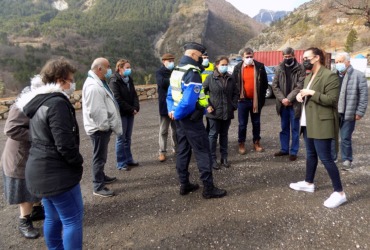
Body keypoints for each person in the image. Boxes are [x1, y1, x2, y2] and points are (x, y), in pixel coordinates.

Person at [15, 58, 84, 248]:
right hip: (56, 174)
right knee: (73, 219)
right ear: (61, 80)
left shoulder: (37, 102)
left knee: (53, 217)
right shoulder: (57, 103)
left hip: (38, 170)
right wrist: (77, 162)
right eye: (70, 79)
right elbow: (64, 144)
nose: (72, 84)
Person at [167, 42, 227, 199]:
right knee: (203, 152)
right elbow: (187, 102)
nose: (202, 60)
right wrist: (181, 114)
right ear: (194, 55)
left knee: (183, 151)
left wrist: (173, 111)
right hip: (191, 119)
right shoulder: (192, 73)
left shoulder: (177, 70)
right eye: (201, 57)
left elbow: (171, 95)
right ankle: (208, 188)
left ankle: (184, 184)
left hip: (179, 120)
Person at [290, 47, 347, 208]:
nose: (304, 60)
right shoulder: (309, 76)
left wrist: (311, 93)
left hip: (322, 123)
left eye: (306, 58)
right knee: (310, 154)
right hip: (308, 122)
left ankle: (340, 192)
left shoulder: (329, 76)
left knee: (326, 158)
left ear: (316, 58)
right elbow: (306, 93)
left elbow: (332, 100)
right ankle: (309, 183)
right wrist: (301, 95)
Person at [1, 79, 46, 239]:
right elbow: (11, 128)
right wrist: (37, 135)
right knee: (24, 188)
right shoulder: (23, 103)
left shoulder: (36, 100)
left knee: (34, 183)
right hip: (19, 156)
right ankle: (24, 221)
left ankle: (37, 209)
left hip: (30, 153)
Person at [82, 57, 122, 197]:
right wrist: (105, 127)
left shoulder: (98, 82)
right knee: (99, 157)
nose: (110, 70)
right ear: (100, 69)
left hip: (101, 128)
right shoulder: (93, 87)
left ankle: (101, 176)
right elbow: (97, 111)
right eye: (108, 67)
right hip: (99, 129)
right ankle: (98, 186)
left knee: (101, 156)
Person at [203, 56, 239, 169]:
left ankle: (224, 158)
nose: (224, 66)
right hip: (213, 113)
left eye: (226, 64)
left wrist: (233, 105)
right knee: (212, 135)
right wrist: (207, 105)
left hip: (227, 112)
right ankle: (212, 159)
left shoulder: (231, 78)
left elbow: (235, 93)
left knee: (224, 135)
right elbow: (201, 93)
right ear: (217, 65)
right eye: (222, 64)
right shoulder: (210, 78)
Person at [333, 52, 368, 170]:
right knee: (332, 136)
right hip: (334, 112)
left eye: (341, 61)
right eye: (336, 62)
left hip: (349, 112)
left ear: (348, 62)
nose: (338, 64)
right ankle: (332, 157)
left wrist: (360, 112)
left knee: (345, 137)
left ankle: (347, 159)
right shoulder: (333, 75)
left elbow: (363, 95)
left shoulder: (358, 75)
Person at [232, 47, 268, 154]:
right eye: (247, 57)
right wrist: (237, 97)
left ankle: (256, 142)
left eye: (251, 56)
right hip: (243, 101)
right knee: (242, 124)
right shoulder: (237, 68)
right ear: (242, 57)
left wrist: (261, 99)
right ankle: (241, 143)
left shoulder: (260, 67)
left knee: (256, 123)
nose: (249, 58)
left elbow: (265, 84)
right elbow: (234, 84)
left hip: (255, 101)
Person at [272, 47, 305, 161]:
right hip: (282, 105)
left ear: (293, 55)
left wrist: (289, 99)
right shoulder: (279, 68)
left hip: (294, 104)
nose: (287, 59)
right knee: (284, 127)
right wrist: (283, 100)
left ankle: (293, 151)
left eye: (289, 57)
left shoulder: (300, 68)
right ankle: (284, 149)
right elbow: (274, 86)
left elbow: (300, 86)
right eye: (285, 57)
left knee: (295, 128)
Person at [109, 59, 140, 170]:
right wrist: (131, 109)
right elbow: (117, 99)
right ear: (120, 68)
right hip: (122, 114)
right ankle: (121, 163)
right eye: (127, 67)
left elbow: (134, 95)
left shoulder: (129, 79)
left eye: (129, 67)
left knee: (128, 138)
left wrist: (136, 107)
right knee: (121, 138)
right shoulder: (114, 81)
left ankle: (129, 159)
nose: (129, 69)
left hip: (130, 113)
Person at [155, 53, 177, 162]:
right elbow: (162, 83)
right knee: (163, 130)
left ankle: (176, 149)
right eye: (169, 61)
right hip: (164, 105)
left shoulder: (176, 71)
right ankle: (162, 152)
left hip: (175, 104)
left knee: (175, 129)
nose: (172, 63)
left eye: (173, 60)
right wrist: (174, 80)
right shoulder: (159, 72)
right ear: (164, 61)